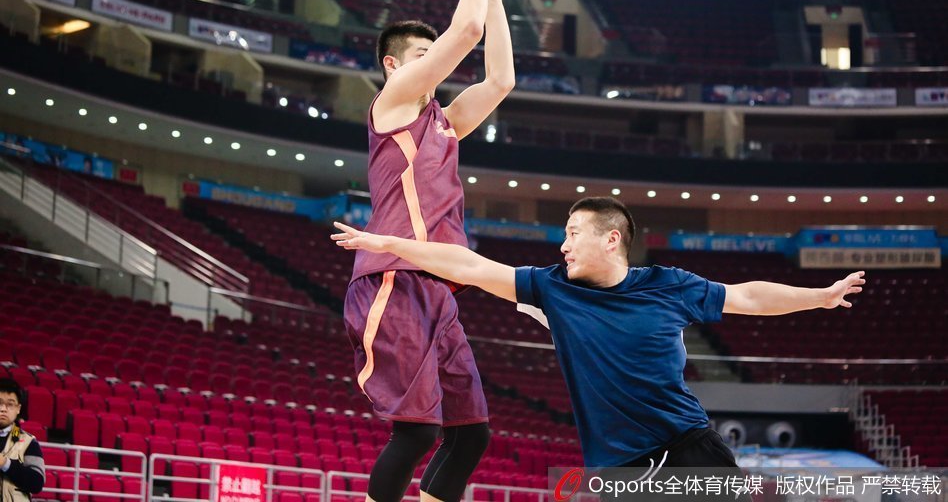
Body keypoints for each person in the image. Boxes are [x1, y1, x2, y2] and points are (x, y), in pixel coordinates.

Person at [332, 197, 865, 483]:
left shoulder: (668, 286)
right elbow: (467, 265)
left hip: (687, 449)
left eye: (572, 233)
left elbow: (747, 297)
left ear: (611, 239)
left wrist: (817, 296)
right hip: (616, 471)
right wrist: (386, 243)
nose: (561, 244)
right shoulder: (552, 289)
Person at [344, 0, 519, 502]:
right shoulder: (390, 104)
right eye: (424, 54)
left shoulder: (445, 122)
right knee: (418, 431)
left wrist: (495, 1)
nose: (436, 63)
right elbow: (463, 30)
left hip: (441, 286)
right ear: (396, 65)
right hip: (392, 276)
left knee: (471, 436)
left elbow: (500, 79)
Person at [0, 379, 46, 502]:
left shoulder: (29, 442)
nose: (3, 409)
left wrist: (6, 464)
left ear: (18, 409)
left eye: (10, 404)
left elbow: (37, 483)